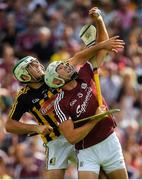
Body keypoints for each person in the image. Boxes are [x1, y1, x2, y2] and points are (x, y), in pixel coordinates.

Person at [44, 7, 128, 179]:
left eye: (65, 64)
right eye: (62, 68)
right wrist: (95, 119)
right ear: (58, 81)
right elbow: (72, 137)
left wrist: (99, 20)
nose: (67, 66)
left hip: (109, 141)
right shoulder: (60, 103)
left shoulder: (84, 74)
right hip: (87, 150)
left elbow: (102, 48)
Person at [5, 56, 77, 179]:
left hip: (76, 131)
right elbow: (9, 125)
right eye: (32, 66)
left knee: (97, 170)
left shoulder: (52, 74)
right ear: (24, 76)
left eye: (37, 62)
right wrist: (36, 128)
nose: (38, 65)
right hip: (55, 141)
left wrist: (101, 46)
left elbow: (77, 58)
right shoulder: (23, 97)